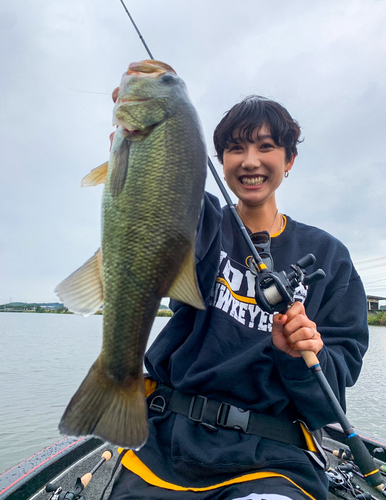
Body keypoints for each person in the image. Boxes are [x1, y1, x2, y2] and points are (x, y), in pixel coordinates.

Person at [108, 94, 369, 500]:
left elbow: (326, 403)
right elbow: (161, 200)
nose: (250, 161)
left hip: (274, 463)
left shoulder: (331, 258)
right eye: (235, 148)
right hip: (164, 446)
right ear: (221, 161)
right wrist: (143, 140)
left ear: (290, 160)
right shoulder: (200, 219)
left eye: (266, 146)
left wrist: (300, 354)